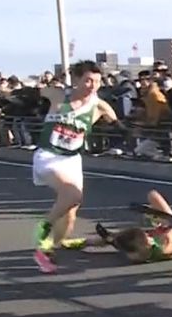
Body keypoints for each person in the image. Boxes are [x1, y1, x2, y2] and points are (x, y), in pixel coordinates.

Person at [32, 60, 121, 273]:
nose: (92, 86)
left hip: (72, 160)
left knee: (71, 211)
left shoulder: (98, 105)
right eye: (88, 80)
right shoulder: (58, 96)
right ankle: (42, 236)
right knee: (72, 195)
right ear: (77, 79)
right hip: (49, 156)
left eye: (97, 81)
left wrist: (120, 130)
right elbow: (34, 93)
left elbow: (116, 122)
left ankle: (55, 245)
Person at [79, 189, 172, 263]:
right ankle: (156, 217)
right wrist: (162, 218)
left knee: (112, 240)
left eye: (148, 237)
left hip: (163, 234)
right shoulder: (162, 249)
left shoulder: (135, 252)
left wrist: (105, 239)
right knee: (153, 196)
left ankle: (88, 241)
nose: (150, 240)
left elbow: (121, 242)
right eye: (148, 240)